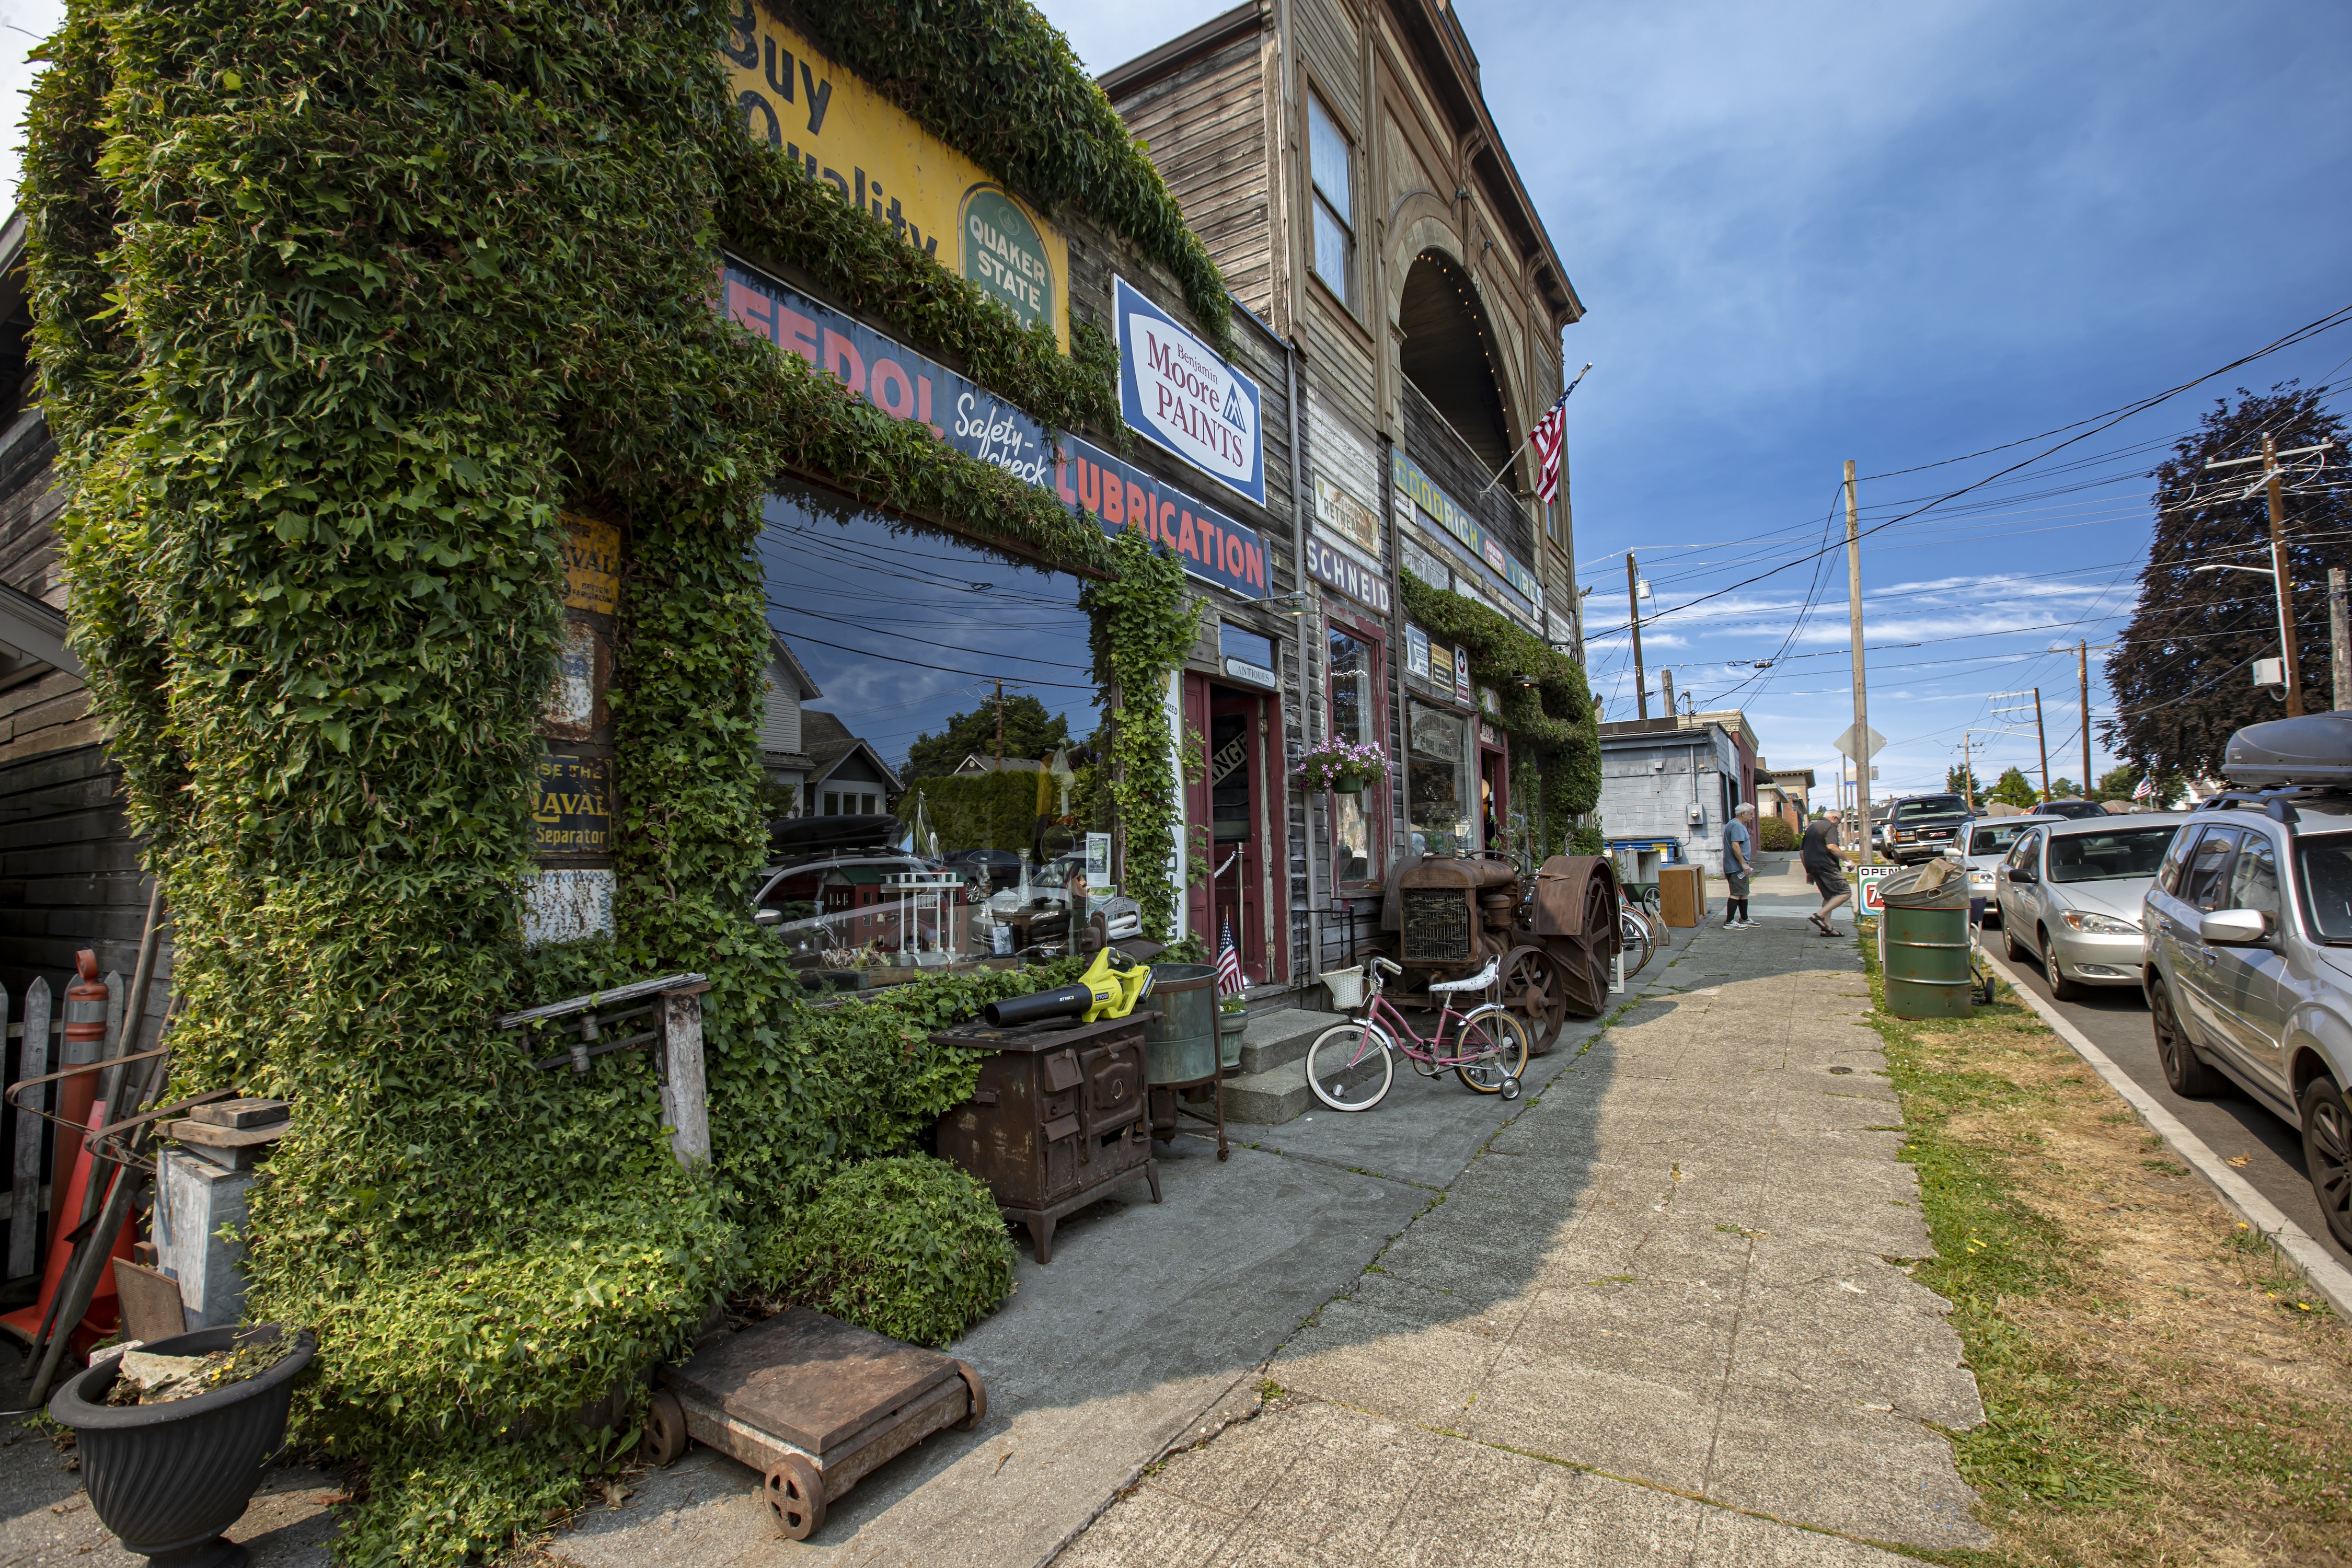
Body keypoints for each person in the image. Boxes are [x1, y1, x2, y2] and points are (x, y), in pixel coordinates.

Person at [1800, 809, 1851, 936]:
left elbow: (1802, 852)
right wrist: (1848, 860)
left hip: (1813, 866)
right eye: (1839, 822)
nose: (1838, 825)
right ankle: (1819, 916)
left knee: (1829, 896)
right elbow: (1832, 847)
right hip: (1827, 866)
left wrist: (1809, 872)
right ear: (1835, 818)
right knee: (1845, 893)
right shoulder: (1830, 826)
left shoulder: (1811, 828)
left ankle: (1827, 929)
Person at [1722, 804, 1755, 928]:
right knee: (1736, 893)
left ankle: (1745, 918)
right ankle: (1730, 921)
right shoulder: (1737, 826)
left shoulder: (1733, 824)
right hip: (1736, 867)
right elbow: (1735, 845)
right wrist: (1743, 864)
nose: (1752, 817)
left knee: (1743, 892)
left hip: (1736, 866)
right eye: (1751, 814)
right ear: (1743, 814)